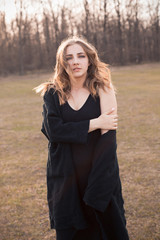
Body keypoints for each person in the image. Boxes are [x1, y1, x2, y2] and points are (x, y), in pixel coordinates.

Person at [35, 36, 130, 240]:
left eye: (81, 56)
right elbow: (53, 131)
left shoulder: (103, 89)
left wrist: (98, 183)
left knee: (107, 230)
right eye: (69, 57)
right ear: (63, 63)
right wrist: (94, 123)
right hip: (65, 176)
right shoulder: (53, 93)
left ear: (89, 59)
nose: (75, 61)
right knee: (71, 232)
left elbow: (107, 141)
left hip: (98, 174)